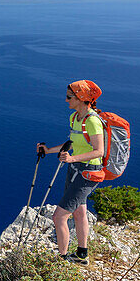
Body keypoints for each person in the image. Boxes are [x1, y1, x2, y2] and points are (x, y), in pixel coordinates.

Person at [36, 80, 105, 265]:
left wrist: (72, 159)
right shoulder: (75, 118)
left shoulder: (93, 121)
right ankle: (82, 255)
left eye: (69, 97)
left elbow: (99, 151)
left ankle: (62, 261)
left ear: (81, 98)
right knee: (80, 212)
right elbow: (72, 143)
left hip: (88, 172)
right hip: (75, 169)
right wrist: (48, 150)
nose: (66, 100)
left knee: (59, 216)